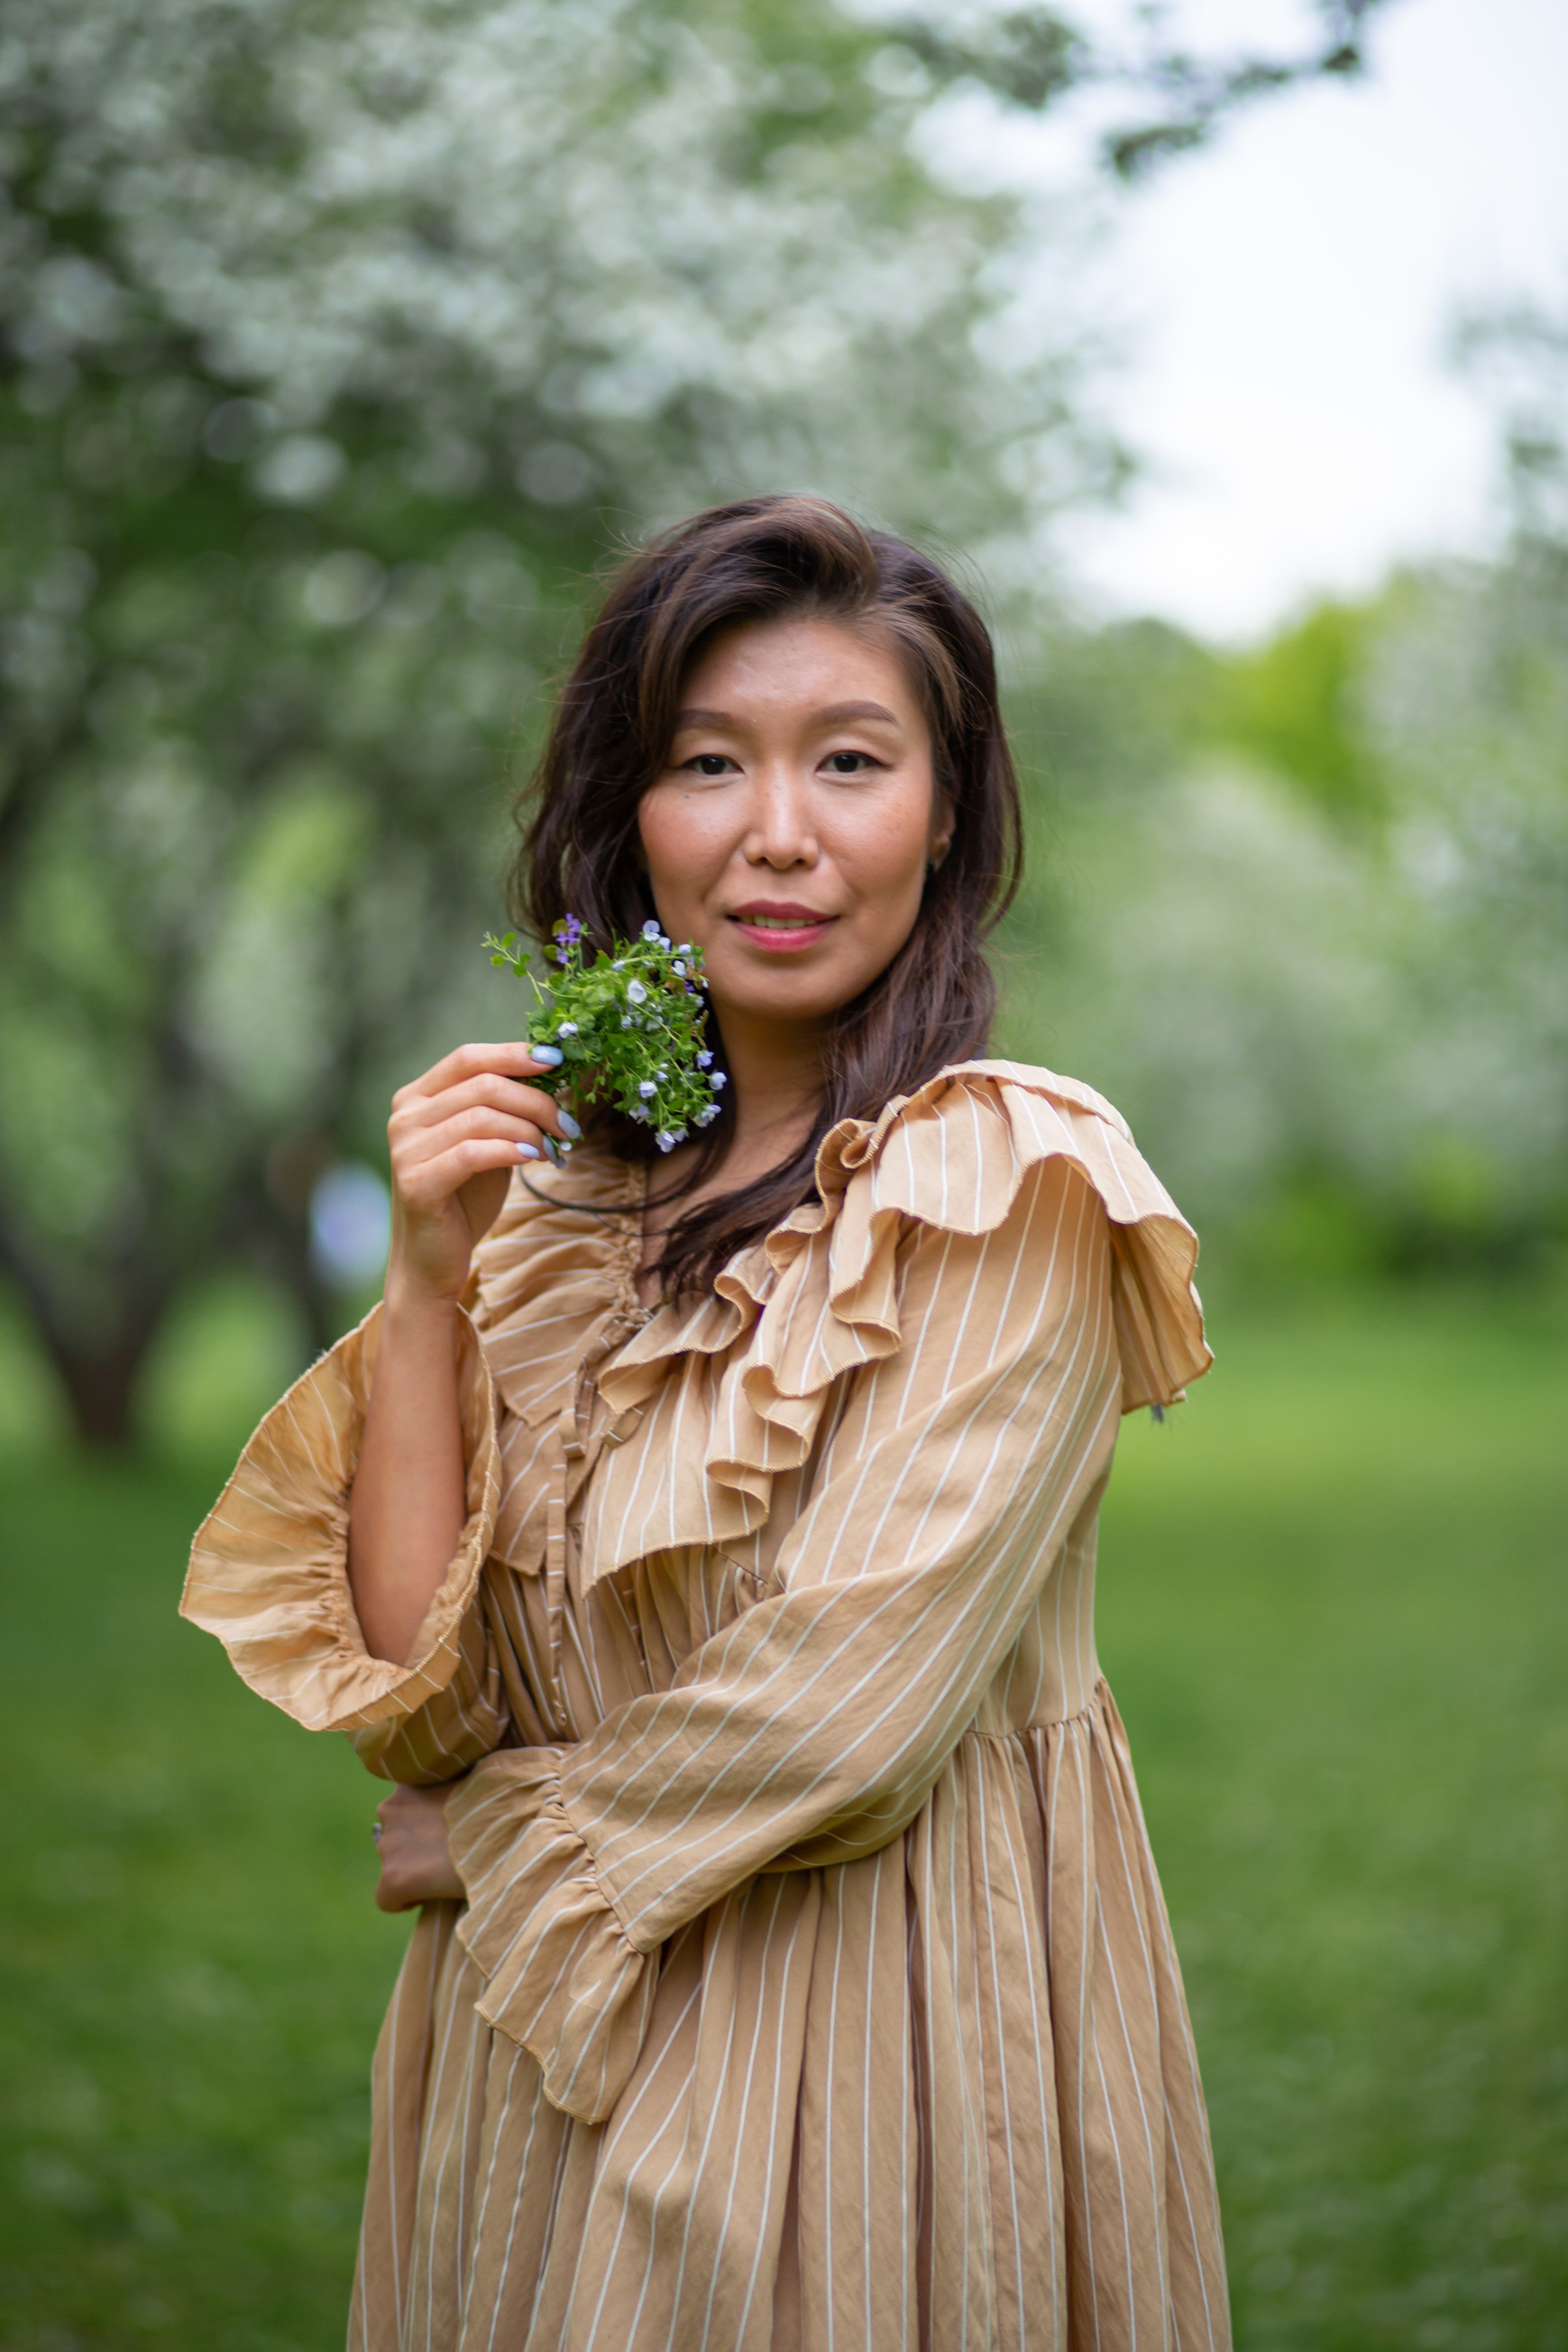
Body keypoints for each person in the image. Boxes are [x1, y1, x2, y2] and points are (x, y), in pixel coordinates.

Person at [184, 494, 1228, 2351]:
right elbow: (420, 1704)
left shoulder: (1000, 1177)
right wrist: (426, 1284)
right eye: (708, 762)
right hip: (538, 2061)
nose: (779, 833)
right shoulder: (554, 1225)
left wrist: (499, 1845)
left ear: (948, 812)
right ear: (634, 812)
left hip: (875, 2034)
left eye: (852, 761)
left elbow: (855, 1699)